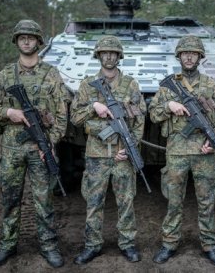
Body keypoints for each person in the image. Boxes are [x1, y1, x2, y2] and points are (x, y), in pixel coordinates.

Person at [0, 20, 68, 268]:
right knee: (10, 198)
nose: (27, 41)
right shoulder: (6, 74)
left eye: (31, 37)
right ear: (17, 41)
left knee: (44, 199)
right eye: (22, 37)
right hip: (12, 148)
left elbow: (62, 115)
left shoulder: (51, 74)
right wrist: (9, 111)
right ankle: (8, 244)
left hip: (40, 149)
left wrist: (50, 143)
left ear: (39, 42)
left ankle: (49, 245)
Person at [148, 35, 215, 267]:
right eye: (185, 53)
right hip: (177, 151)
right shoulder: (168, 86)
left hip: (205, 152)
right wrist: (169, 106)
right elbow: (153, 114)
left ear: (200, 57)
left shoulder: (211, 85)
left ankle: (210, 245)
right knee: (174, 201)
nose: (189, 56)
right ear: (179, 56)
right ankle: (169, 243)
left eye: (193, 53)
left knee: (207, 200)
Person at [71, 35, 146, 265]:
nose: (109, 56)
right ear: (99, 55)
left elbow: (140, 118)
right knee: (94, 202)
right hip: (97, 155)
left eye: (113, 53)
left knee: (126, 201)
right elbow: (75, 117)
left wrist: (130, 147)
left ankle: (127, 244)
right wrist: (94, 106)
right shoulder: (87, 85)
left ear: (119, 56)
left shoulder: (130, 84)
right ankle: (92, 245)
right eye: (105, 53)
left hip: (122, 154)